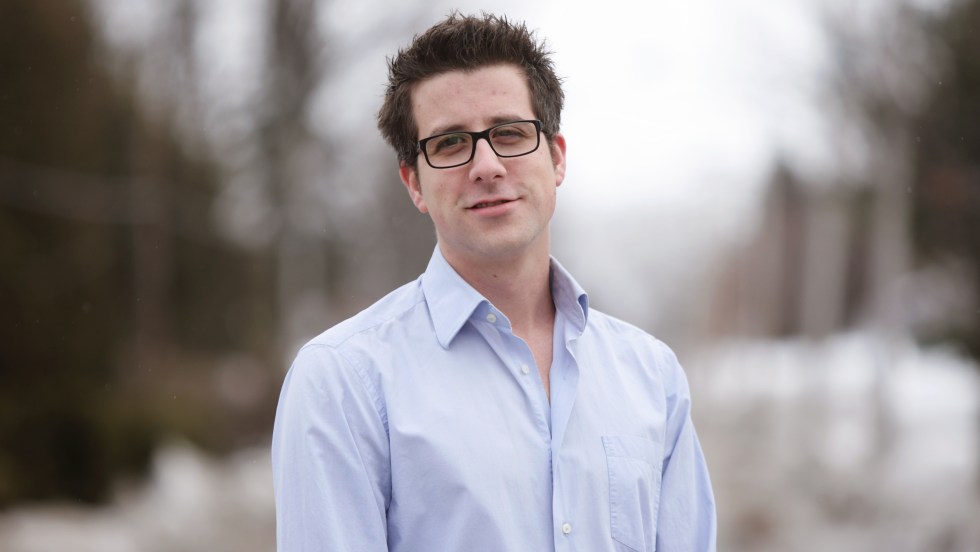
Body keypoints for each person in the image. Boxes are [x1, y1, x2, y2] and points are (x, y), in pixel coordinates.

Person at [272, 12, 716, 552]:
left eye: (509, 133)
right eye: (451, 143)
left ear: (556, 158)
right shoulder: (343, 383)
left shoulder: (652, 376)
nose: (486, 165)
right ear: (414, 183)